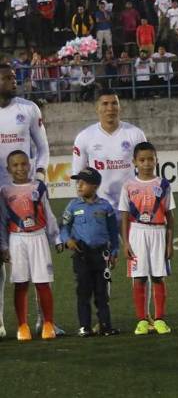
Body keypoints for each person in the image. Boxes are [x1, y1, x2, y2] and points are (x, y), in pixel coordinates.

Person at [0, 63, 51, 339]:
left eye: (13, 77)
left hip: (27, 193)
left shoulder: (29, 108)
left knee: (37, 259)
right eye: (7, 78)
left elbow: (43, 147)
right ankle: (0, 321)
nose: (13, 81)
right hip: (0, 197)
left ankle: (45, 321)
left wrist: (41, 177)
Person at [0, 151, 62, 341]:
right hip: (17, 240)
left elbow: (49, 214)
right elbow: (2, 221)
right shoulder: (4, 191)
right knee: (20, 283)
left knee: (43, 282)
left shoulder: (39, 187)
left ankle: (48, 324)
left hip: (38, 237)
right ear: (9, 169)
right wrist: (3, 246)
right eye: (15, 165)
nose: (20, 168)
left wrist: (56, 238)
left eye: (24, 164)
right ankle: (22, 326)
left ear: (30, 165)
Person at [119, 142, 175, 335]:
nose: (147, 163)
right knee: (139, 277)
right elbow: (125, 216)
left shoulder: (163, 184)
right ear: (134, 162)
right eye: (142, 160)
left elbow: (170, 216)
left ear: (156, 160)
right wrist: (126, 242)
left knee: (158, 276)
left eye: (150, 159)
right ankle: (142, 320)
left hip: (158, 232)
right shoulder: (128, 185)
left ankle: (159, 319)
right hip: (137, 233)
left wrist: (170, 243)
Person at [59, 167, 121, 337]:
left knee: (102, 292)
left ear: (95, 186)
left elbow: (113, 231)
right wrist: (67, 240)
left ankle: (105, 325)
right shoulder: (72, 206)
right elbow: (64, 227)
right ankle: (84, 326)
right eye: (77, 182)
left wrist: (115, 251)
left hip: (102, 255)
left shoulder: (105, 207)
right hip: (81, 255)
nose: (78, 185)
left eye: (83, 183)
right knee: (83, 291)